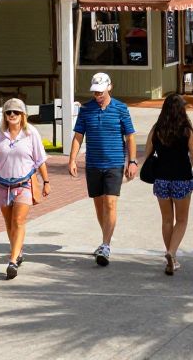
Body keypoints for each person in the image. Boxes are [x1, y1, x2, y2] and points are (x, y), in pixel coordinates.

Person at [67, 72, 138, 267]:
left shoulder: (121, 109)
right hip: (93, 164)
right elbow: (78, 136)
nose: (97, 95)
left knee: (110, 204)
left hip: (114, 163)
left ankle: (106, 245)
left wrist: (132, 161)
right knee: (99, 205)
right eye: (95, 92)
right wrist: (72, 159)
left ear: (109, 88)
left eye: (100, 92)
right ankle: (105, 237)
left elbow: (130, 136)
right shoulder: (86, 110)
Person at [0, 98, 50, 280]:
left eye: (16, 112)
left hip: (24, 184)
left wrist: (46, 181)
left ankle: (12, 261)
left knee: (19, 221)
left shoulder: (31, 133)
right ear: (5, 116)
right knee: (9, 222)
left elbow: (40, 160)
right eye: (9, 112)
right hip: (3, 184)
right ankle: (17, 250)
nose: (12, 115)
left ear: (23, 115)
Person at [143, 93, 193, 276]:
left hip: (161, 179)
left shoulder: (157, 129)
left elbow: (147, 152)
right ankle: (171, 252)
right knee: (182, 220)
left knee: (167, 220)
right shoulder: (186, 130)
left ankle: (172, 256)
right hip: (182, 179)